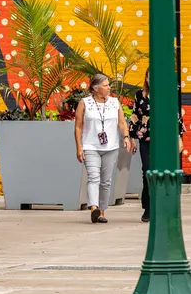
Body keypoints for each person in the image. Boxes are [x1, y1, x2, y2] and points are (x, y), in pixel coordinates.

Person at [74, 73, 134, 224]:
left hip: (111, 147)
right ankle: (94, 208)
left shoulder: (115, 102)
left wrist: (126, 137)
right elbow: (78, 126)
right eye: (106, 85)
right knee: (94, 178)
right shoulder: (85, 103)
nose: (109, 88)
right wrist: (79, 147)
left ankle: (101, 211)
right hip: (90, 146)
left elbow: (121, 123)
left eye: (108, 85)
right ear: (95, 88)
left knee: (106, 181)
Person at [130, 68, 185, 223]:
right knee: (147, 171)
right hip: (145, 139)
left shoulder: (167, 94)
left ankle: (161, 206)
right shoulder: (140, 95)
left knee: (162, 173)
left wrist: (178, 138)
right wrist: (131, 137)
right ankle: (148, 207)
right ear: (146, 78)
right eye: (149, 77)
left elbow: (176, 116)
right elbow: (135, 115)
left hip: (164, 140)